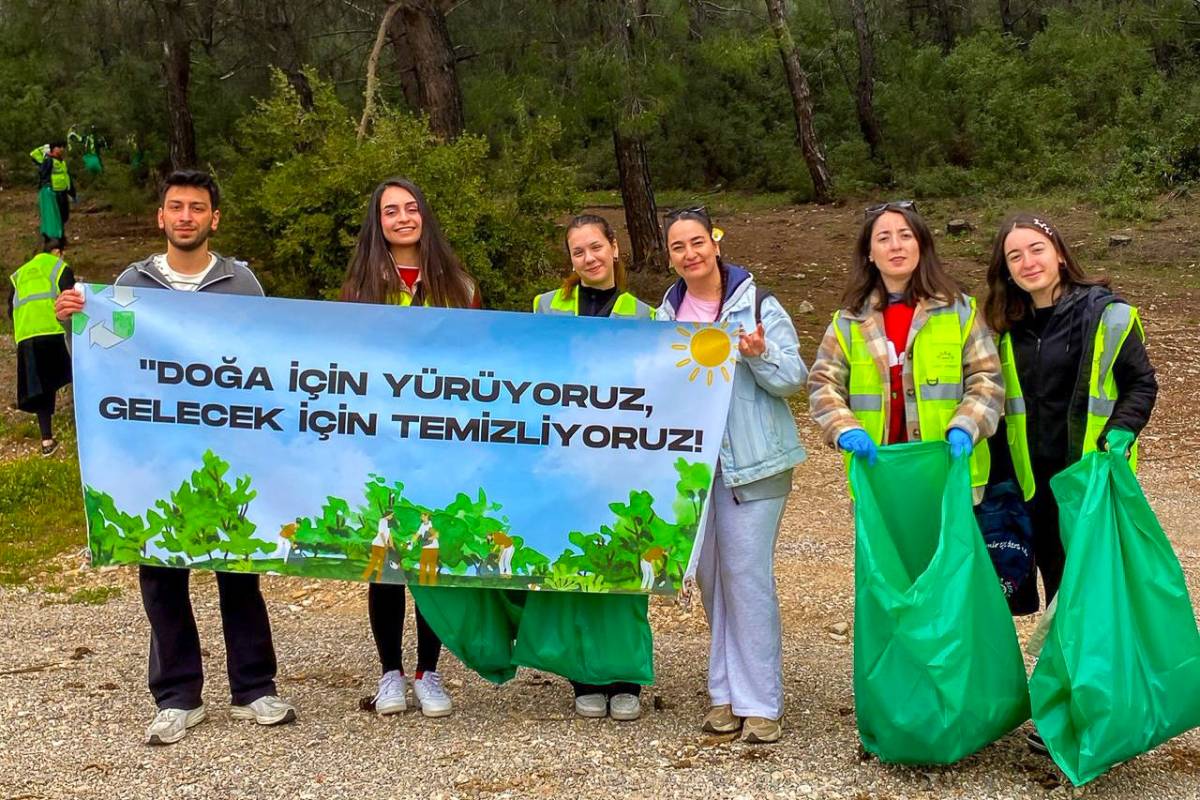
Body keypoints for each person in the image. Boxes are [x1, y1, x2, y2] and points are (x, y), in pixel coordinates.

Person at [53, 170, 296, 746]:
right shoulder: (130, 282)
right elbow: (105, 361)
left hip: (228, 455)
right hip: (151, 457)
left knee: (239, 569)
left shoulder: (243, 284)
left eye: (198, 208)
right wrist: (74, 325)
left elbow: (269, 359)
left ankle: (254, 688)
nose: (186, 216)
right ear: (160, 217)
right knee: (162, 573)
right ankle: (177, 696)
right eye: (176, 207)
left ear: (215, 218)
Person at [655, 207, 807, 744]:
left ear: (715, 244)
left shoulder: (758, 303)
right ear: (669, 255)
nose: (690, 254)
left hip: (754, 464)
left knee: (747, 579)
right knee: (711, 579)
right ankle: (724, 694)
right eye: (678, 247)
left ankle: (761, 701)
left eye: (697, 242)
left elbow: (794, 378)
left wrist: (761, 355)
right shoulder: (664, 316)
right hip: (696, 471)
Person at [341, 177, 481, 718]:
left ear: (425, 215)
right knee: (385, 559)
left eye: (411, 208)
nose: (402, 218)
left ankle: (429, 671)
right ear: (378, 224)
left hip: (442, 443)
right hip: (380, 440)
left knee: (429, 555)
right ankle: (389, 673)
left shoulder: (459, 285)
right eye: (390, 211)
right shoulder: (361, 287)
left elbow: (480, 365)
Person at [982, 213, 1157, 616]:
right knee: (1059, 592)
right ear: (1006, 271)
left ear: (1059, 254)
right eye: (1014, 256)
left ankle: (1103, 677)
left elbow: (1141, 384)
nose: (1028, 262)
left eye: (1036, 249)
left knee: (1098, 592)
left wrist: (1121, 431)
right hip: (1035, 487)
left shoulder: (1107, 315)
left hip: (1091, 478)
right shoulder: (1010, 330)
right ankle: (1067, 676)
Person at [525, 213, 656, 722]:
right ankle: (584, 677)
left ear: (615, 248)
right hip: (564, 458)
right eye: (578, 252)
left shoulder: (647, 314)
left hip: (626, 461)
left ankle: (626, 680)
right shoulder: (544, 307)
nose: (588, 259)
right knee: (575, 566)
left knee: (624, 570)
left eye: (596, 247)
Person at [808, 200, 1003, 492]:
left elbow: (987, 379)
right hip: (877, 474)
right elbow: (823, 384)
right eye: (883, 238)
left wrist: (967, 424)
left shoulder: (960, 312)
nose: (895, 245)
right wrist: (844, 428)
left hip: (948, 474)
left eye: (905, 235)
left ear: (921, 245)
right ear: (870, 254)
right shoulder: (849, 321)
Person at [9, 242, 74, 455]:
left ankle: (46, 441)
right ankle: (87, 425)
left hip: (26, 336)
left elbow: (11, 309)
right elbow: (72, 299)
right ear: (57, 252)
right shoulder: (57, 266)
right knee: (78, 374)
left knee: (41, 388)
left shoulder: (19, 274)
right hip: (54, 330)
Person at [30, 141, 75, 246]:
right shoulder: (48, 160)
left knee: (64, 215)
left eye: (63, 147)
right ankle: (57, 238)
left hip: (63, 191)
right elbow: (34, 157)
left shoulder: (62, 162)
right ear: (53, 149)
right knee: (55, 215)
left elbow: (67, 176)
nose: (62, 149)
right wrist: (45, 147)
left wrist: (72, 192)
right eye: (59, 147)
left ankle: (60, 236)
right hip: (53, 192)